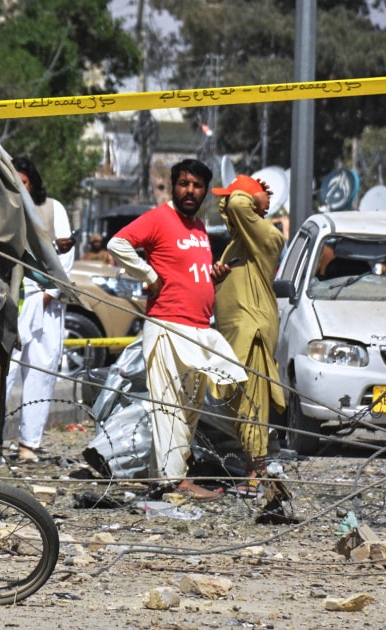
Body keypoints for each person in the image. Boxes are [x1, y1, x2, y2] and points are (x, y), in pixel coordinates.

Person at [107, 159, 247, 500]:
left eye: (197, 186)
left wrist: (212, 277)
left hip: (198, 329)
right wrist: (149, 276)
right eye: (184, 183)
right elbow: (117, 244)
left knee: (190, 408)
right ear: (173, 185)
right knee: (169, 406)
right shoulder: (159, 218)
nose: (190, 191)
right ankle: (174, 482)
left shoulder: (199, 227)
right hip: (168, 326)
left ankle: (171, 477)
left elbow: (189, 272)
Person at [212, 175, 287, 495]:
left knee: (252, 403)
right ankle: (251, 469)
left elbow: (236, 204)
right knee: (240, 405)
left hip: (251, 330)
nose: (226, 203)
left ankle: (255, 474)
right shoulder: (238, 243)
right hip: (235, 333)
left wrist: (254, 195)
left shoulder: (266, 235)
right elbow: (229, 207)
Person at [7, 157, 75, 463]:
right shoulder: (3, 208)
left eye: (22, 181)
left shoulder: (52, 208)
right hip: (12, 298)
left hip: (44, 300)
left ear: (31, 182)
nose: (18, 186)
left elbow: (65, 253)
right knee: (6, 370)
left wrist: (51, 292)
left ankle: (28, 444)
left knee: (40, 372)